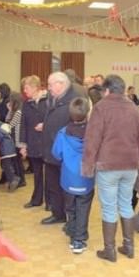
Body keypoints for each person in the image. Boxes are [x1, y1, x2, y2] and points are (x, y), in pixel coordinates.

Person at [82, 74, 139, 262]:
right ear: (123, 89)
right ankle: (128, 246)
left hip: (108, 165)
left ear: (106, 90)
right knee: (126, 204)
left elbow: (92, 140)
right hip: (131, 165)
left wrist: (88, 166)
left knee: (109, 208)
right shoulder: (133, 108)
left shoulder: (101, 108)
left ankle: (110, 251)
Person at [52, 97, 94, 254]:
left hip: (68, 178)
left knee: (71, 208)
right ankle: (79, 239)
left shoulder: (62, 133)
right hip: (86, 177)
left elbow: (56, 153)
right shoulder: (93, 132)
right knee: (83, 207)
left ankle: (72, 234)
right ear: (88, 113)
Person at [41, 72, 79, 225]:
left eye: (51, 85)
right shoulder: (55, 99)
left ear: (61, 84)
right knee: (53, 184)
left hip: (65, 152)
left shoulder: (73, 101)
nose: (48, 88)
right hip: (51, 150)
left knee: (66, 186)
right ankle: (57, 214)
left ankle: (70, 217)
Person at [19, 75, 49, 209]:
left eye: (26, 88)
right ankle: (36, 199)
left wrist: (46, 125)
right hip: (33, 143)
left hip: (47, 142)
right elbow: (23, 125)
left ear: (35, 87)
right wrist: (23, 145)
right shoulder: (26, 104)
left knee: (50, 175)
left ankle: (51, 202)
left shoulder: (49, 101)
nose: (24, 91)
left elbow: (56, 120)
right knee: (37, 173)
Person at [6, 91, 26, 188]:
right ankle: (21, 179)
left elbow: (10, 124)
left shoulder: (18, 112)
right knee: (17, 161)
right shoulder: (18, 111)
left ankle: (21, 180)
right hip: (16, 138)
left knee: (17, 161)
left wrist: (9, 110)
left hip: (17, 139)